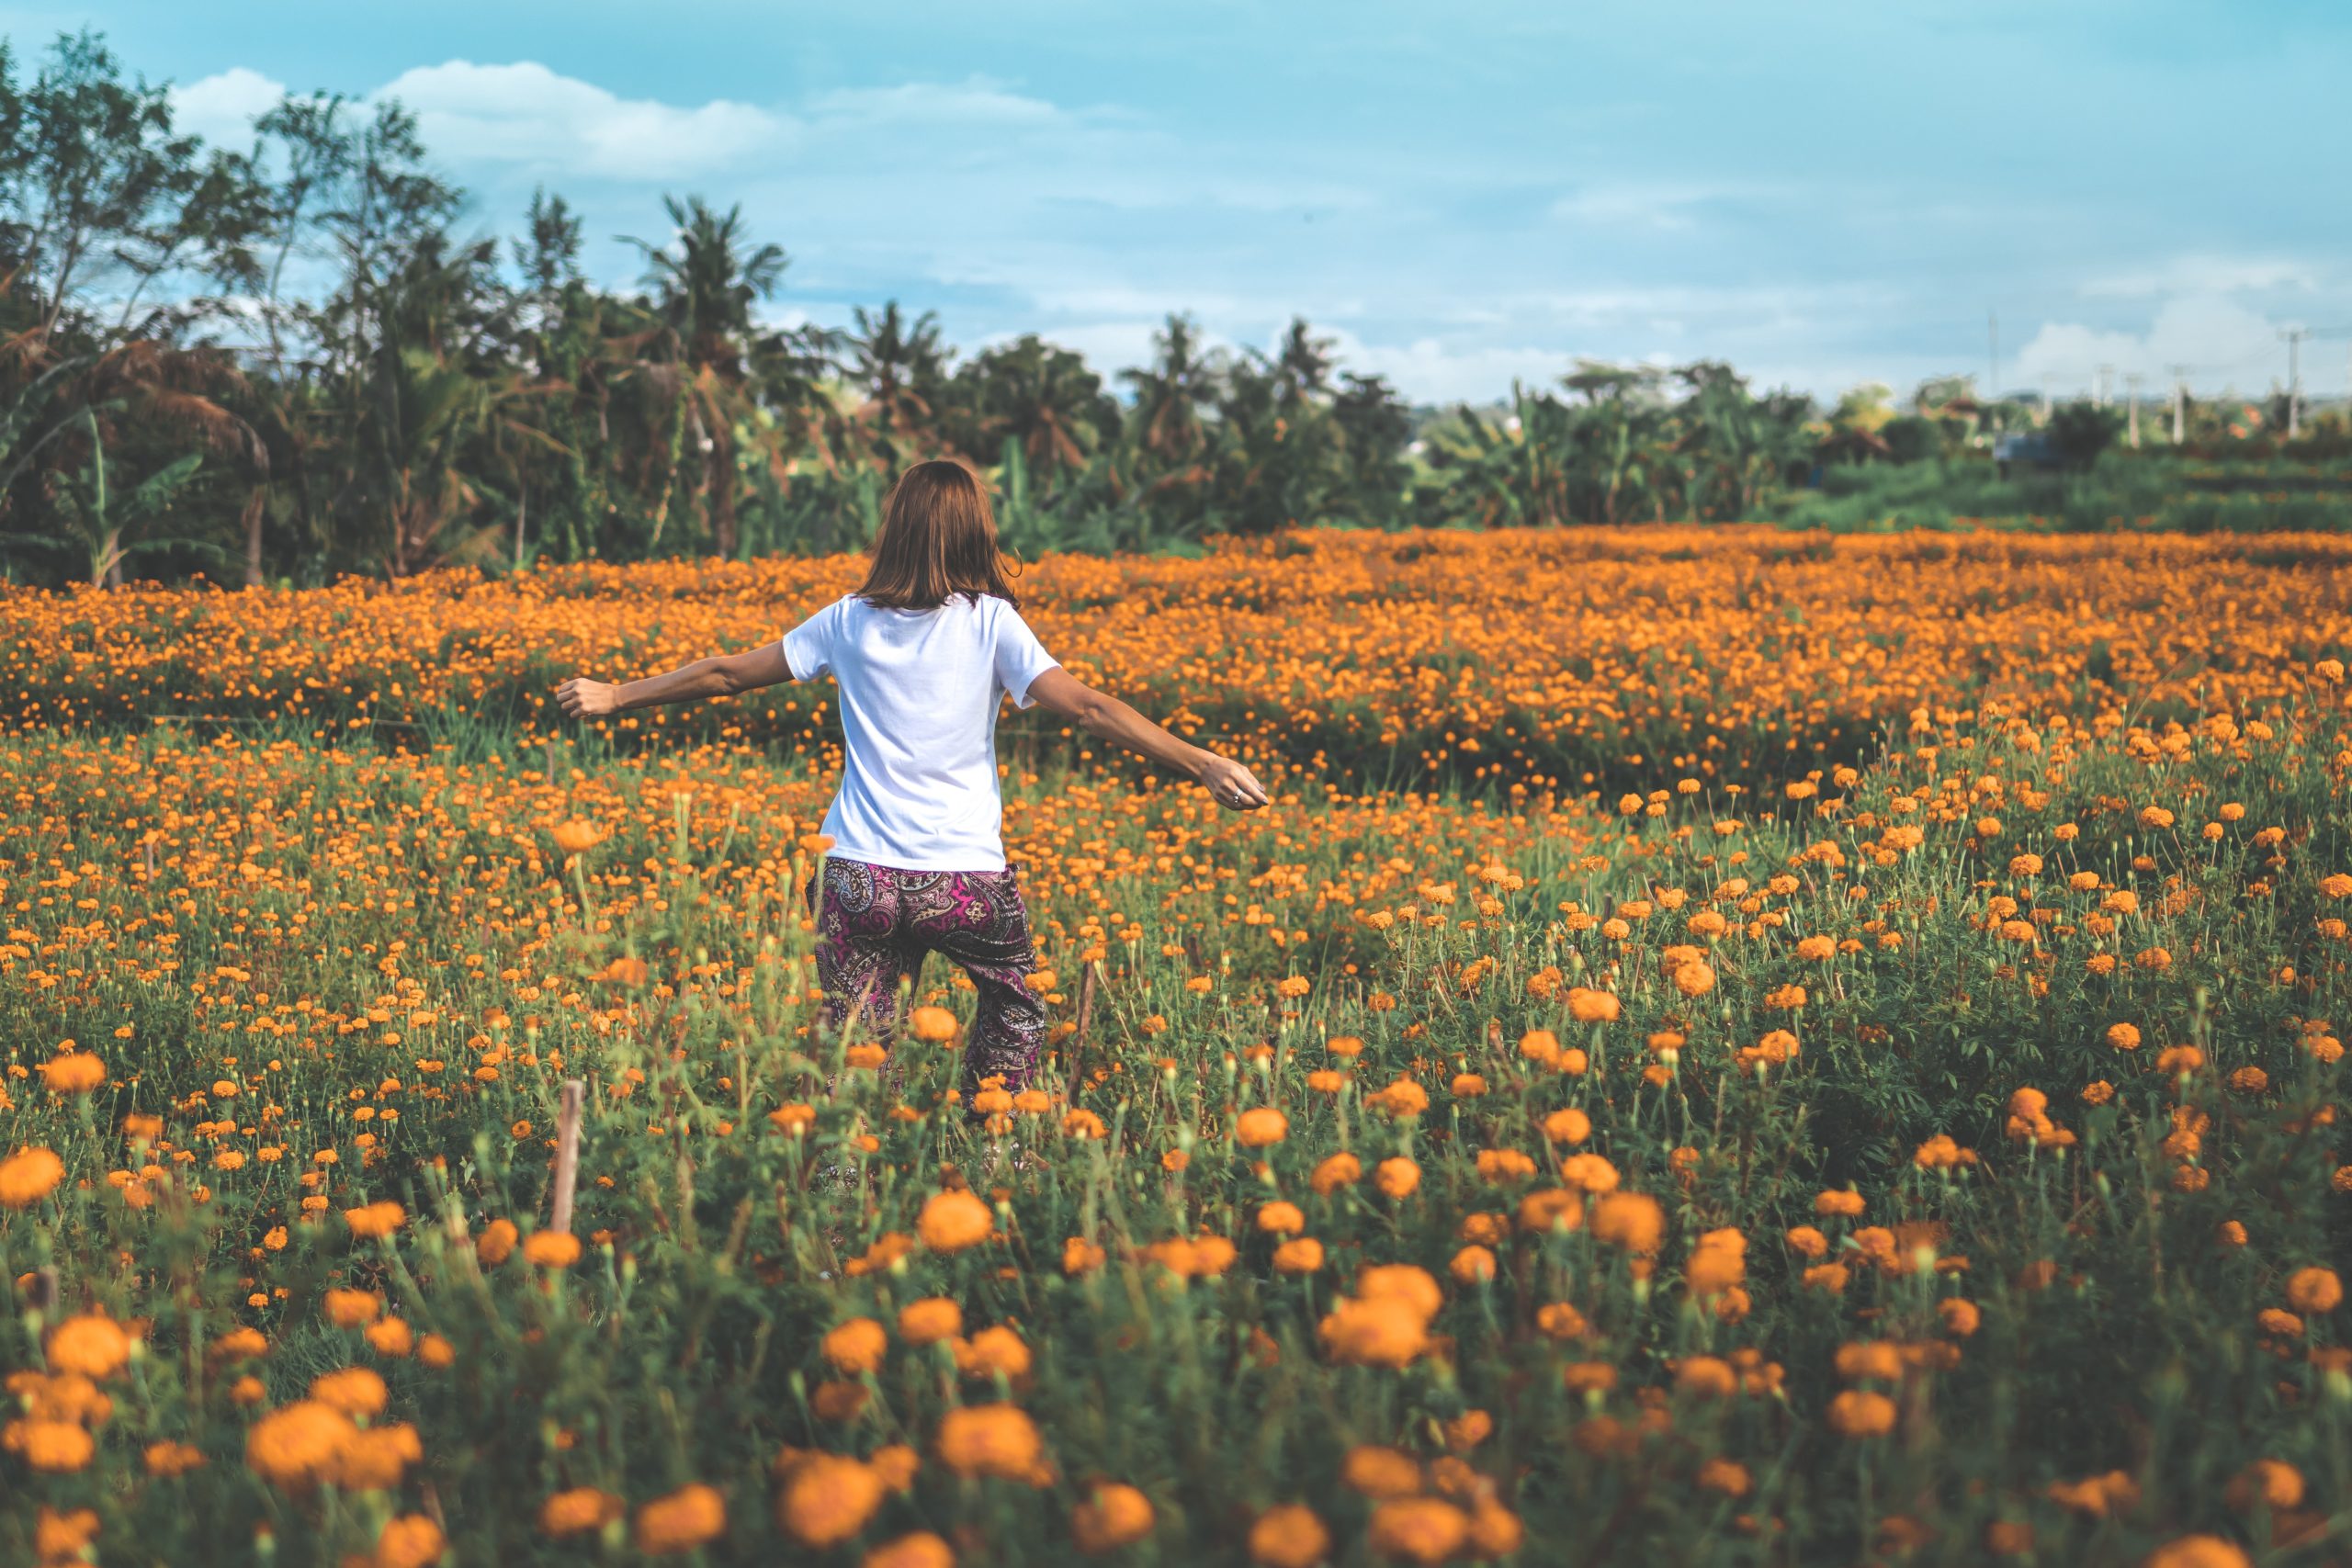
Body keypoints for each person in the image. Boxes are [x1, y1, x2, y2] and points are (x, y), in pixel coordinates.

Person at [555, 458, 1269, 1105]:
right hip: (963, 880)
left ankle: (842, 1211)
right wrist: (1201, 761)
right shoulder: (993, 623)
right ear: (973, 535)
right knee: (1017, 1005)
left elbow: (724, 675)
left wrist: (617, 694)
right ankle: (990, 1153)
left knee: (853, 1051)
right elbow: (1089, 707)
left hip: (858, 876)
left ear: (895, 529)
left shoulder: (846, 620)